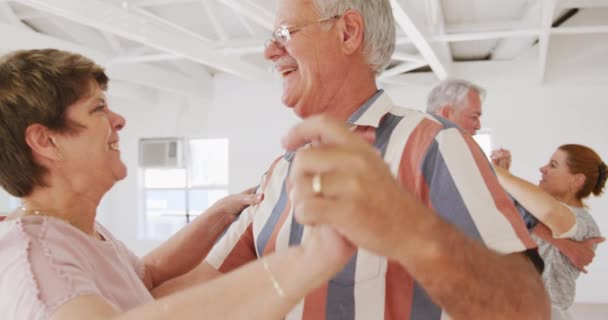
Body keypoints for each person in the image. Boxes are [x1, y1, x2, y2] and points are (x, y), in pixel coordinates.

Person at [162, 1, 551, 319]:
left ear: (348, 32)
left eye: (284, 33)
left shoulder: (434, 144)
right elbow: (204, 283)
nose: (268, 51)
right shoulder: (281, 170)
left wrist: (408, 228)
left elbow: (528, 309)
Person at [0, 48, 356, 320]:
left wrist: (220, 215)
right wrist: (306, 261)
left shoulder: (78, 231)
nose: (119, 120)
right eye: (98, 109)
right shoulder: (37, 261)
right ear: (46, 142)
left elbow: (147, 276)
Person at [426, 78, 604, 272]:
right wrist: (493, 173)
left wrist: (497, 176)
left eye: (553, 165)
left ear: (578, 180)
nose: (478, 125)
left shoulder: (445, 152)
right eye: (474, 116)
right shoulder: (439, 157)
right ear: (446, 113)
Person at [491, 145, 605, 319]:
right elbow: (518, 214)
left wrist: (502, 175)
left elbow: (546, 213)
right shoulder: (540, 213)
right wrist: (502, 178)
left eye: (553, 165)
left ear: (576, 180)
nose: (542, 169)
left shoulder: (583, 222)